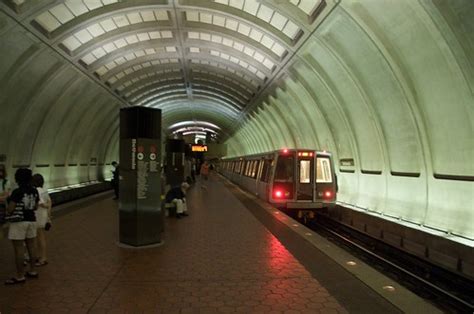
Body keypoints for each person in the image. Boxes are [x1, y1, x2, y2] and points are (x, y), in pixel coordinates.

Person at [5, 168, 39, 285]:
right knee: (32, 246)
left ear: (17, 178)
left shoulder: (17, 192)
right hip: (32, 221)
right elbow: (35, 207)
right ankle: (33, 270)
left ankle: (20, 276)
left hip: (19, 222)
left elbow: (10, 209)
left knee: (19, 249)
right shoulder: (34, 191)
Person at [32, 174, 52, 266]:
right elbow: (49, 201)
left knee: (38, 237)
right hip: (43, 215)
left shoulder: (36, 191)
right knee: (40, 237)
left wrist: (45, 206)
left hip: (38, 216)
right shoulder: (45, 190)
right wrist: (48, 215)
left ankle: (42, 258)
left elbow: (42, 203)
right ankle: (41, 256)